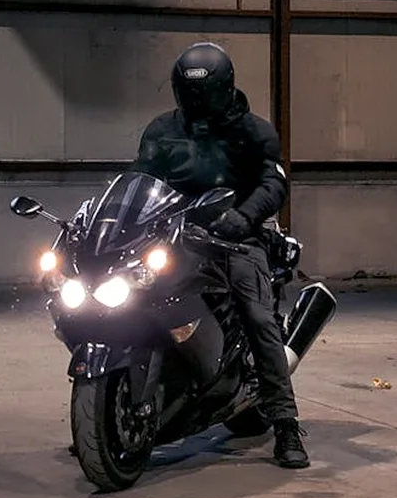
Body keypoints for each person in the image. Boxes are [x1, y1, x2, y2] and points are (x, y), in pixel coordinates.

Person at [132, 41, 309, 469]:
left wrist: (244, 216)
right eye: (188, 94)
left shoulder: (254, 131)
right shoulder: (161, 131)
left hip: (235, 236)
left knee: (257, 315)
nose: (195, 102)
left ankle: (285, 424)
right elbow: (139, 181)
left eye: (202, 94)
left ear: (224, 89)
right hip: (172, 237)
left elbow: (274, 182)